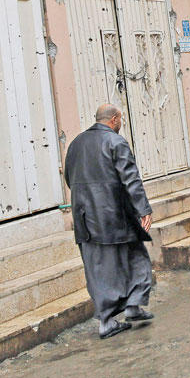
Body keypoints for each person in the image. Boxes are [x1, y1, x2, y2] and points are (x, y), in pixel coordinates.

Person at [64, 104, 154, 339]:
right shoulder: (116, 142)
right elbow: (131, 179)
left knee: (98, 268)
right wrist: (143, 209)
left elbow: (69, 178)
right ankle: (123, 311)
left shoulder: (75, 143)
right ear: (114, 119)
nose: (121, 123)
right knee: (135, 258)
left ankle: (119, 314)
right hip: (114, 214)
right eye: (120, 119)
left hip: (85, 217)